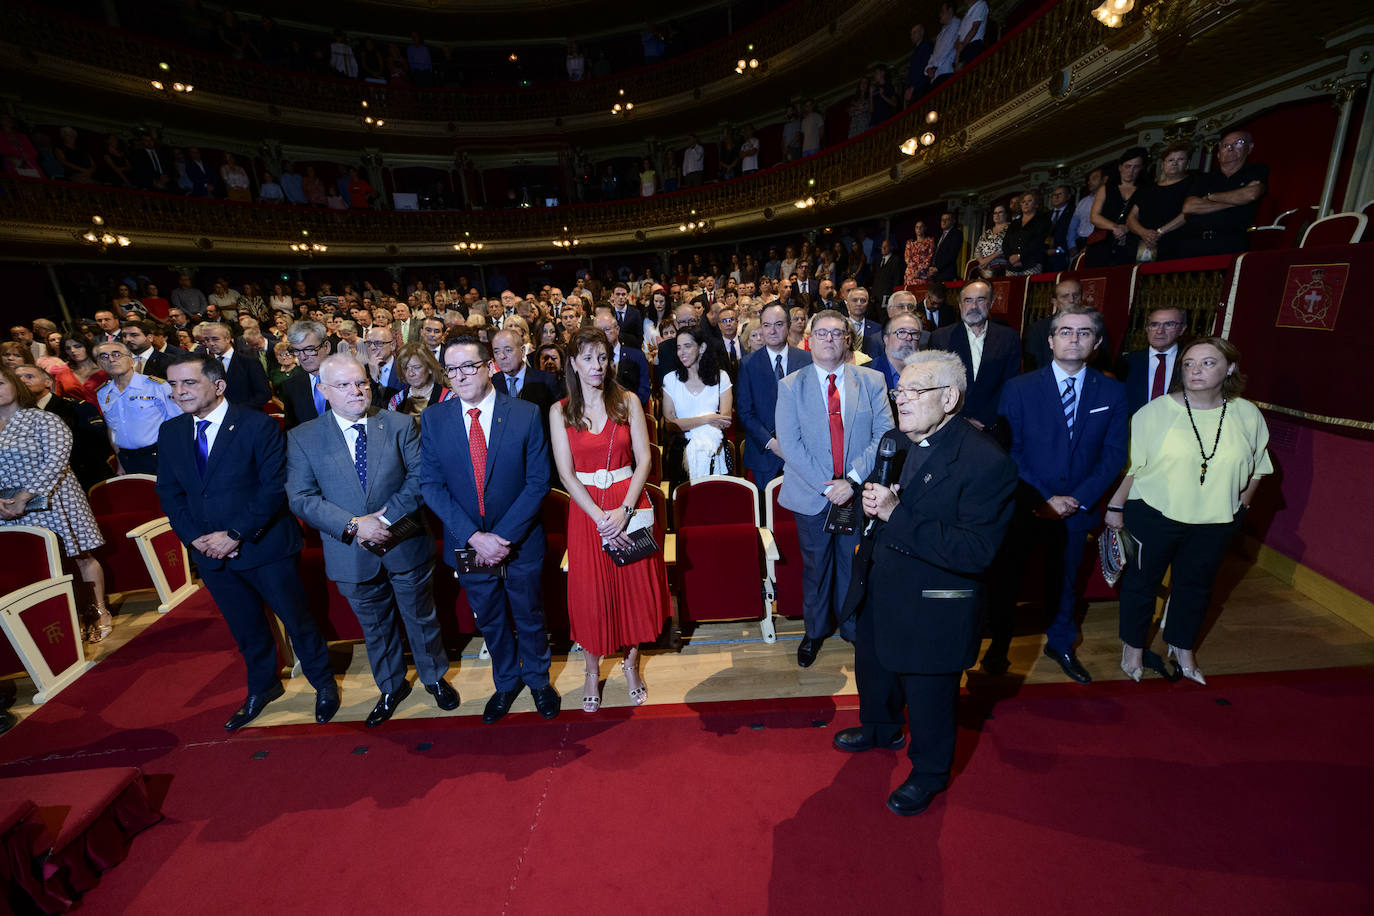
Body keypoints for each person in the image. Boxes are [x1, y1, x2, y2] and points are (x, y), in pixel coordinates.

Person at [833, 351, 1017, 817]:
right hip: (880, 584)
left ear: (950, 397)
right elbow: (878, 500)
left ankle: (930, 772)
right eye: (900, 391)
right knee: (874, 670)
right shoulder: (895, 441)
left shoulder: (985, 462)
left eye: (916, 392)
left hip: (935, 602)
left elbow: (974, 552)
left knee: (930, 697)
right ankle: (880, 727)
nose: (903, 401)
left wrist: (895, 512)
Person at [155, 354, 339, 730]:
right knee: (246, 629)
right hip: (210, 554)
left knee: (298, 622)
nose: (179, 392)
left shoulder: (258, 426)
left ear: (218, 385)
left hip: (265, 547)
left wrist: (235, 534)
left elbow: (273, 488)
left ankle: (323, 685)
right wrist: (196, 540)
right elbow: (170, 494)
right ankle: (263, 687)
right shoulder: (171, 432)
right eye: (173, 385)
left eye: (187, 383)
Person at [286, 355, 457, 727]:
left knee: (421, 618)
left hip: (405, 543)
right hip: (351, 551)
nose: (356, 391)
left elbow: (420, 477)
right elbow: (301, 497)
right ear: (324, 390)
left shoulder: (398, 424)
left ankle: (434, 678)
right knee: (375, 627)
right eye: (345, 385)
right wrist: (354, 525)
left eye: (361, 382)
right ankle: (392, 686)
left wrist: (385, 519)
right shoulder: (302, 437)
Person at [1106, 337, 1271, 683]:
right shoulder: (1156, 412)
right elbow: (1131, 468)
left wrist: (1244, 504)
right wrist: (1114, 507)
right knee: (1141, 584)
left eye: (1208, 363)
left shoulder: (1247, 413)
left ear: (1230, 368)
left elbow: (1259, 466)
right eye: (1189, 363)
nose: (1196, 370)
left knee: (1195, 586)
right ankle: (1133, 647)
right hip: (1153, 515)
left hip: (1215, 521)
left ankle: (1182, 646)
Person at [419, 335, 560, 723]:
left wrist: (502, 538)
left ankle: (538, 680)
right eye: (451, 369)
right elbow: (430, 485)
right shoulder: (434, 418)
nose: (460, 375)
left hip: (519, 541)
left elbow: (538, 482)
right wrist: (475, 537)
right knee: (491, 619)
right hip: (469, 545)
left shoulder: (525, 413)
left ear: (489, 367)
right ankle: (506, 683)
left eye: (468, 366)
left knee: (529, 615)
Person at [991, 306, 1128, 682]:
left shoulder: (1113, 391)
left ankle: (1061, 643)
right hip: (1028, 506)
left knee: (1066, 581)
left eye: (1084, 333)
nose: (1074, 338)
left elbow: (1114, 454)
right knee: (1010, 581)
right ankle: (998, 653)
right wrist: (1045, 498)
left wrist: (1079, 498)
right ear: (1050, 340)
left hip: (1077, 509)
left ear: (1096, 343)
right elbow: (1010, 450)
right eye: (1065, 331)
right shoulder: (1019, 388)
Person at [549, 328, 670, 712]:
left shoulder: (629, 402)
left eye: (601, 357)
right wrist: (602, 517)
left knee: (630, 586)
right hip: (587, 514)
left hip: (626, 505)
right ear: (573, 363)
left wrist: (625, 511)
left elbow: (645, 460)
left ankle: (631, 663)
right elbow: (566, 474)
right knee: (590, 593)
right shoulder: (560, 411)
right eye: (587, 358)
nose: (596, 365)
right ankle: (590, 669)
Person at [776, 310, 893, 666]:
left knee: (853, 565)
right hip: (813, 495)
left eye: (837, 333)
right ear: (810, 340)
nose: (829, 339)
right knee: (815, 567)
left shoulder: (871, 381)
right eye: (822, 333)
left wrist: (852, 481)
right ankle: (813, 633)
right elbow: (790, 444)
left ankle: (852, 628)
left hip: (859, 493)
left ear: (848, 340)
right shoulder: (790, 385)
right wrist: (829, 488)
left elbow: (885, 434)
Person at [0, 366, 112, 643]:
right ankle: (57, 618)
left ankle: (98, 610)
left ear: (15, 385)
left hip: (54, 498)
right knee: (33, 564)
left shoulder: (43, 419)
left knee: (79, 555)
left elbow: (57, 461)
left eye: (1, 383)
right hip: (7, 507)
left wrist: (25, 496)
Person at [930, 281, 1020, 438]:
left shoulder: (1009, 338)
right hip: (952, 427)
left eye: (980, 300)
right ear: (959, 304)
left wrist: (985, 419)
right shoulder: (941, 338)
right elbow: (937, 386)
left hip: (993, 427)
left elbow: (1010, 384)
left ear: (991, 303)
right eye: (968, 300)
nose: (973, 306)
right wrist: (961, 420)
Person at [93, 341, 179, 476]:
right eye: (103, 356)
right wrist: (119, 461)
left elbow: (179, 421)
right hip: (127, 458)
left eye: (116, 354)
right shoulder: (103, 392)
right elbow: (112, 428)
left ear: (131, 360)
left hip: (160, 455)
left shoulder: (156, 386)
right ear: (99, 364)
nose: (110, 359)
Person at [662, 326, 733, 489]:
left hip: (715, 450)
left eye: (687, 346)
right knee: (686, 509)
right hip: (681, 451)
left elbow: (724, 421)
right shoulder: (670, 380)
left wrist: (686, 423)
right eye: (679, 348)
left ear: (702, 347)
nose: (682, 352)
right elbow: (670, 424)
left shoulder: (721, 377)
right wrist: (707, 418)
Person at [1178, 129, 1267, 257]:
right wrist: (1236, 201)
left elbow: (1251, 195)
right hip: (1194, 244)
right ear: (1218, 153)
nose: (1230, 148)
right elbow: (1189, 207)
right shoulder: (1204, 178)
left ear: (1250, 147)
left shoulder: (1256, 171)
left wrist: (1210, 197)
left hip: (1230, 245)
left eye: (1238, 143)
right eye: (1226, 145)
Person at [1128, 142, 1193, 262]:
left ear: (1187, 163)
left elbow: (1190, 213)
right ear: (1163, 165)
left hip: (1176, 245)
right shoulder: (1147, 189)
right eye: (1170, 160)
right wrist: (1143, 233)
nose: (1174, 163)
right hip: (1143, 246)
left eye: (1180, 159)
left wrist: (1159, 232)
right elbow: (1131, 217)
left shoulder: (1193, 184)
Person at [1085, 147, 1149, 268]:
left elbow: (1144, 218)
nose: (1131, 171)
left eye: (1136, 167)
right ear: (1120, 167)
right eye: (1128, 166)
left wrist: (1127, 228)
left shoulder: (1145, 190)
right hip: (1102, 244)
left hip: (1130, 245)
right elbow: (1094, 217)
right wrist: (1115, 228)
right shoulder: (1106, 188)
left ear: (1141, 169)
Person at [1120, 305, 1186, 415]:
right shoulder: (1128, 361)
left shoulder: (1190, 362)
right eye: (1154, 324)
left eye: (1169, 324)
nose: (1160, 331)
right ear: (1147, 328)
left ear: (1182, 329)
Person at [198, 321, 271, 409]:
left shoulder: (249, 361)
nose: (211, 343)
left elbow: (264, 394)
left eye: (215, 339)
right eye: (207, 340)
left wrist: (237, 411)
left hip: (246, 416)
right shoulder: (204, 364)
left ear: (228, 339)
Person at [387, 341, 455, 414]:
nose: (411, 373)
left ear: (430, 368)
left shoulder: (449, 399)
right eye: (405, 368)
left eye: (416, 367)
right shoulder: (397, 401)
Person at [929, 211, 963, 282]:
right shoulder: (939, 235)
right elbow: (936, 253)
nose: (943, 222)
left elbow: (952, 255)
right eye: (942, 220)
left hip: (946, 274)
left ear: (953, 221)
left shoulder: (956, 234)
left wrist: (938, 268)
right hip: (935, 274)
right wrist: (931, 267)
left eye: (946, 219)